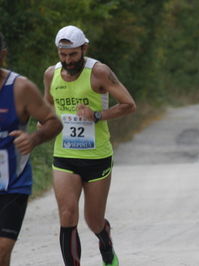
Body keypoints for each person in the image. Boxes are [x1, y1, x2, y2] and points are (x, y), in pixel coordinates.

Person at [43, 25, 136, 266]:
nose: (67, 60)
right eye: (62, 55)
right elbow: (47, 106)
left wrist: (96, 115)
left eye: (73, 54)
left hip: (96, 156)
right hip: (64, 154)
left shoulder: (99, 72)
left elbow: (128, 104)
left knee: (93, 220)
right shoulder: (50, 74)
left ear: (84, 48)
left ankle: (105, 242)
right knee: (67, 214)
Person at [0, 32, 62, 266]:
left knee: (2, 250)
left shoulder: (21, 88)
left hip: (13, 183)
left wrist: (34, 139)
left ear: (2, 56)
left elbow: (54, 122)